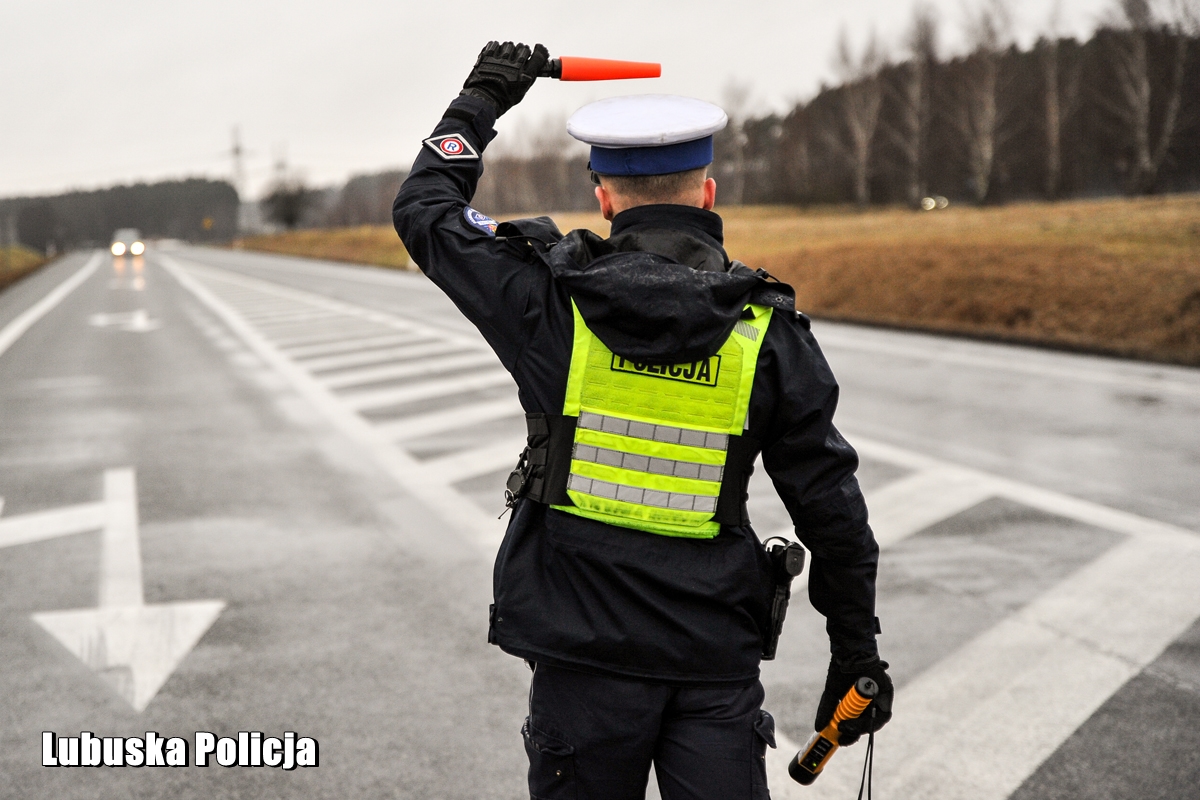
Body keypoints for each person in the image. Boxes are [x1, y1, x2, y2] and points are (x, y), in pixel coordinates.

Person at [393, 40, 892, 800]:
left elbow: (425, 211)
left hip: (581, 658)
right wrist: (856, 651)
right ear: (707, 193)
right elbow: (832, 508)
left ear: (603, 197)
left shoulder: (549, 306)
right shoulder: (768, 334)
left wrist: (483, 96)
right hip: (712, 664)